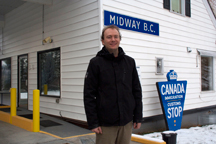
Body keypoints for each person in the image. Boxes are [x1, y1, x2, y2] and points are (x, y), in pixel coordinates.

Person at [84, 25, 142, 144]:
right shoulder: (96, 63)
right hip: (105, 124)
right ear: (103, 41)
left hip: (126, 121)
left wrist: (137, 116)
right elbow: (89, 95)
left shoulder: (129, 62)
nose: (113, 39)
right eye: (109, 37)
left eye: (116, 36)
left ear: (120, 39)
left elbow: (136, 91)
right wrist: (93, 122)